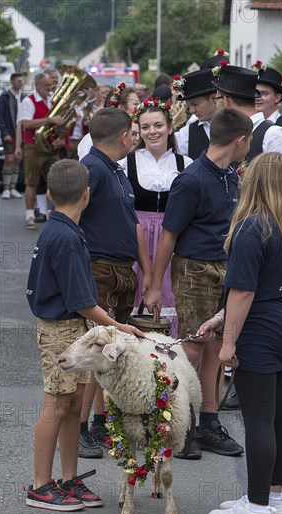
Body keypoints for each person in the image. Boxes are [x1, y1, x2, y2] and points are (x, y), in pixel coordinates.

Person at [25, 159, 143, 511]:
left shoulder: (61, 230)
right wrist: (119, 327)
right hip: (62, 329)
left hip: (69, 327)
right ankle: (41, 485)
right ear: (88, 195)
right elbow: (84, 302)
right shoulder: (67, 238)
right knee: (57, 404)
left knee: (75, 405)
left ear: (48, 195)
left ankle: (69, 479)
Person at [202, 152, 282, 514]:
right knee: (278, 412)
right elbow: (259, 286)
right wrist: (219, 318)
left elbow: (244, 292)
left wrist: (227, 342)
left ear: (256, 181)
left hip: (260, 328)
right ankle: (274, 497)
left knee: (258, 417)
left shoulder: (251, 227)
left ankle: (257, 508)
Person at [145, 108, 252, 459]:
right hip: (194, 270)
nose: (248, 146)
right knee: (192, 347)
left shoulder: (230, 174)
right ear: (240, 141)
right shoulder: (191, 180)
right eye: (248, 141)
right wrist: (155, 284)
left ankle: (207, 423)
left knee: (216, 351)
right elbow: (168, 236)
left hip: (226, 269)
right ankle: (177, 424)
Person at [77, 108, 152, 459]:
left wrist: (147, 271)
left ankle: (99, 420)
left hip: (120, 272)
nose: (135, 138)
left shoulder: (115, 170)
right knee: (95, 350)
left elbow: (130, 222)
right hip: (100, 270)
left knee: (109, 352)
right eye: (133, 133)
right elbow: (68, 218)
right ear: (124, 137)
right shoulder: (92, 169)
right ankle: (79, 427)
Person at [121, 97, 193, 336]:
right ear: (138, 131)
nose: (152, 132)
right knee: (135, 299)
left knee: (171, 296)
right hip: (136, 240)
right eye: (145, 127)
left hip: (174, 242)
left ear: (170, 128)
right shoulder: (125, 164)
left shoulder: (186, 164)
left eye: (158, 125)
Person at [15, 72, 65, 229]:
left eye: (51, 85)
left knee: (55, 181)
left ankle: (52, 215)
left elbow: (57, 126)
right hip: (34, 147)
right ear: (37, 85)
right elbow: (26, 124)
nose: (50, 88)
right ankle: (30, 216)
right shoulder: (29, 101)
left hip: (51, 148)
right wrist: (50, 119)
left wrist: (59, 138)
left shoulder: (52, 100)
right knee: (32, 182)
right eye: (47, 86)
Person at [213, 65, 282, 164]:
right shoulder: (228, 130)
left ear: (226, 101)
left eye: (217, 98)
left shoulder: (273, 134)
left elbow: (281, 177)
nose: (215, 104)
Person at [77, 83, 139, 160]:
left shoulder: (135, 134)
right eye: (136, 104)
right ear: (121, 108)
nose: (139, 108)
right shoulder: (92, 139)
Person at [174, 68, 218, 159]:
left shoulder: (238, 125)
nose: (191, 110)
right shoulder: (185, 135)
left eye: (195, 104)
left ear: (214, 98)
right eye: (189, 106)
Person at [0, 72, 25, 199]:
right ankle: (6, 188)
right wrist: (4, 133)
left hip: (21, 133)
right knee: (9, 160)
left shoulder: (24, 97)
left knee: (17, 160)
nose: (21, 83)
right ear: (12, 81)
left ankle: (13, 187)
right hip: (9, 133)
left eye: (22, 81)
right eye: (18, 81)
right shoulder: (5, 97)